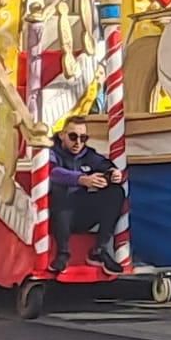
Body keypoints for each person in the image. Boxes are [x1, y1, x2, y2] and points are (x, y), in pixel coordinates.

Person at [47, 116, 127, 275]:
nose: (78, 142)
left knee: (116, 192)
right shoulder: (51, 151)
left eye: (83, 138)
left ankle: (99, 250)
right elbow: (53, 172)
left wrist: (113, 173)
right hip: (57, 216)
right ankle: (62, 253)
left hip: (81, 214)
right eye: (73, 136)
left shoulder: (87, 154)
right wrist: (81, 179)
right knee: (61, 192)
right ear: (62, 135)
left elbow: (105, 164)